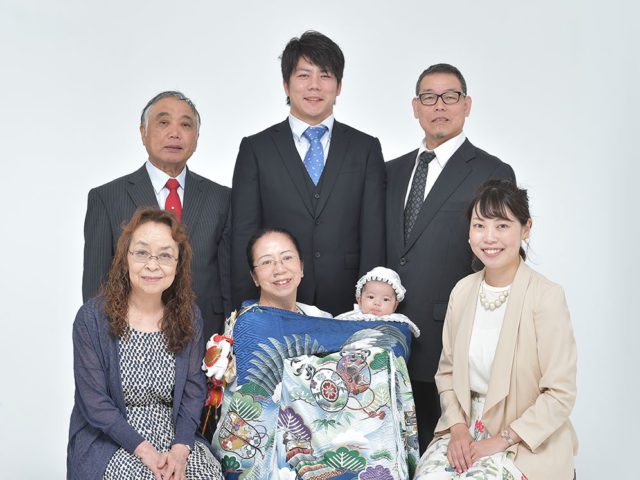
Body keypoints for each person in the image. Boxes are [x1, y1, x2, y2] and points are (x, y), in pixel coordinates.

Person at [205, 229, 419, 479]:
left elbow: (389, 341)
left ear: (302, 267)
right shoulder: (249, 323)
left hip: (322, 444)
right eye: (266, 262)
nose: (279, 269)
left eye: (287, 258)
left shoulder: (322, 318)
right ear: (254, 276)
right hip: (262, 445)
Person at [385, 63, 516, 451]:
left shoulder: (491, 172)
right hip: (389, 339)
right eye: (429, 97)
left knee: (440, 453)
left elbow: (499, 257)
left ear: (467, 104)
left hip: (452, 340)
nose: (439, 105)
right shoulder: (390, 172)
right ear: (415, 106)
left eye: (450, 96)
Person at [414, 179, 578, 480]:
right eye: (479, 225)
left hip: (525, 439)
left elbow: (560, 393)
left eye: (502, 225)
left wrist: (500, 440)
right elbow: (447, 374)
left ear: (525, 229)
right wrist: (459, 431)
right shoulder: (462, 292)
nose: (489, 237)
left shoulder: (546, 296)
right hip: (465, 427)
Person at [230, 30, 386, 317]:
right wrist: (246, 310)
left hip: (348, 303)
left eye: (325, 75)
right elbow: (244, 234)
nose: (314, 86)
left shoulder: (365, 148)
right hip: (276, 304)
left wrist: (370, 308)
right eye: (304, 75)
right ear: (286, 85)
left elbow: (374, 234)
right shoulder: (256, 149)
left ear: (338, 86)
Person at [67, 207, 222, 479]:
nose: (153, 264)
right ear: (125, 259)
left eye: (165, 255)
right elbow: (95, 403)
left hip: (175, 434)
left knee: (204, 475)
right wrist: (145, 451)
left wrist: (180, 449)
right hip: (112, 438)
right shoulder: (91, 319)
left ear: (178, 263)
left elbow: (193, 392)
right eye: (141, 252)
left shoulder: (188, 316)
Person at [82, 90, 231, 340]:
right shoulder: (107, 198)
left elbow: (229, 279)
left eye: (186, 124)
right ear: (143, 133)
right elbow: (96, 288)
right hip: (131, 339)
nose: (175, 133)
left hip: (206, 336)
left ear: (196, 137)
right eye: (163, 123)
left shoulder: (223, 199)